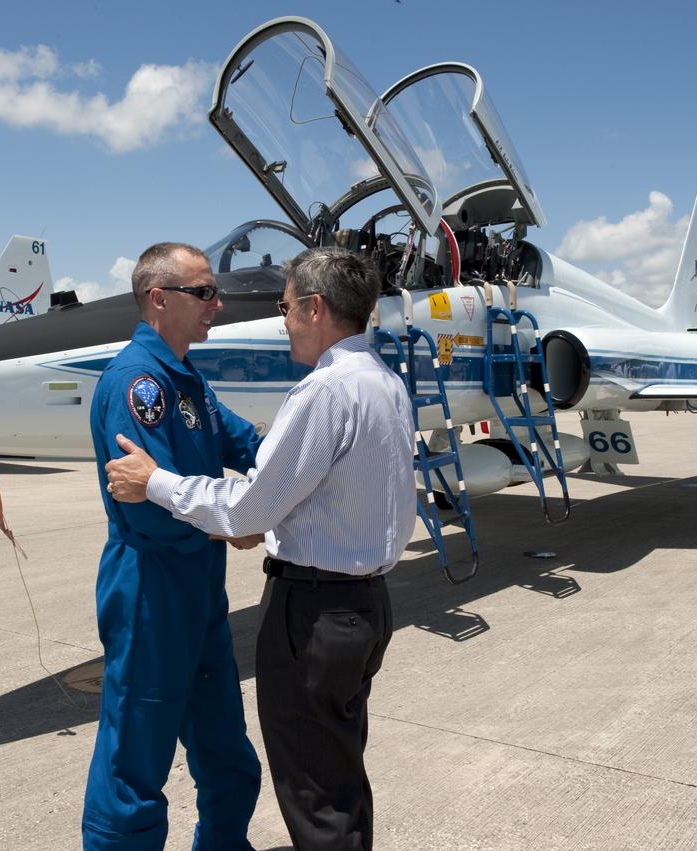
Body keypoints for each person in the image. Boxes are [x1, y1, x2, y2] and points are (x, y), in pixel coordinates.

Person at [106, 246, 416, 850]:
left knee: (315, 790)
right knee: (336, 775)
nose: (280, 319)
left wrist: (160, 484)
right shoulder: (385, 383)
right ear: (158, 298)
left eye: (285, 306)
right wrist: (251, 511)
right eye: (204, 294)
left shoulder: (323, 392)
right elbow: (264, 459)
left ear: (315, 308)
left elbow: (248, 507)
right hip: (362, 606)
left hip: (315, 614)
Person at [82, 242, 264, 851]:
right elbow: (147, 509)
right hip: (150, 594)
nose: (219, 304)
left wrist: (322, 459)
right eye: (205, 292)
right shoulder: (138, 384)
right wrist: (227, 521)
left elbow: (246, 443)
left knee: (226, 753)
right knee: (134, 767)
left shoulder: (188, 382)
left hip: (200, 592)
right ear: (159, 299)